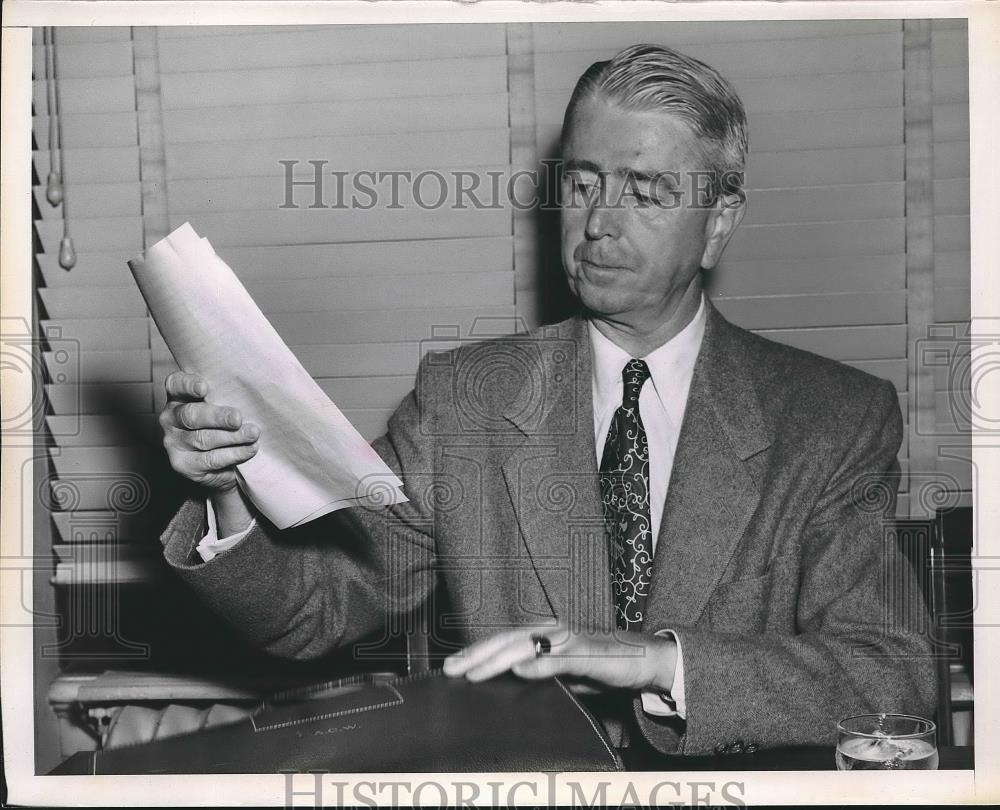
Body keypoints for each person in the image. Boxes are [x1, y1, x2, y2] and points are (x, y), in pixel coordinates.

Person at [157, 44, 936, 757]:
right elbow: (314, 614)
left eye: (646, 191)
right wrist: (231, 492)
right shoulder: (463, 402)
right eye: (583, 183)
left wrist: (657, 661)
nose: (598, 223)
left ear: (718, 223)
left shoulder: (832, 419)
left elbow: (890, 674)